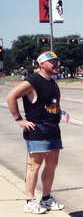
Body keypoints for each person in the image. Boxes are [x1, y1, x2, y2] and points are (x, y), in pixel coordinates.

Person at [6, 51, 66, 214]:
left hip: (53, 129)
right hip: (37, 129)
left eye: (56, 61)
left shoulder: (52, 82)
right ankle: (30, 201)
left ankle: (46, 199)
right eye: (52, 62)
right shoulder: (32, 81)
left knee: (52, 165)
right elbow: (11, 97)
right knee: (35, 166)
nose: (56, 64)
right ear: (42, 64)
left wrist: (61, 112)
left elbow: (50, 103)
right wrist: (19, 119)